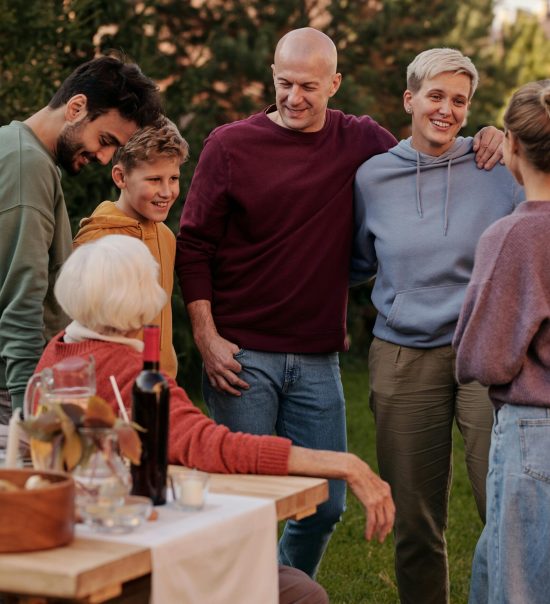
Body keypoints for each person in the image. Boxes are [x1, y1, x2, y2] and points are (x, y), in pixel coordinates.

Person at [175, 28, 503, 578]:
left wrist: (494, 133)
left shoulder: (360, 142)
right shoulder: (229, 145)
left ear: (334, 83)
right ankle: (244, 590)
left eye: (308, 85)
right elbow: (195, 247)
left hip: (317, 356)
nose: (295, 97)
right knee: (249, 503)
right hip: (241, 355)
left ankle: (283, 586)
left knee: (325, 506)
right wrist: (207, 338)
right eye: (284, 84)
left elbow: (425, 146)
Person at [36, 234, 396, 604]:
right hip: (124, 554)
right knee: (303, 594)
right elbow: (211, 446)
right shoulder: (127, 372)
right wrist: (345, 464)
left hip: (86, 536)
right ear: (139, 299)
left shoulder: (61, 349)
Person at [351, 48, 523, 604]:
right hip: (402, 358)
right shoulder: (372, 178)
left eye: (460, 100)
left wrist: (505, 137)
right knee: (416, 522)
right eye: (435, 96)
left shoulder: (497, 166)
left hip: (486, 355)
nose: (446, 110)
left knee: (501, 504)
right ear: (410, 99)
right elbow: (357, 260)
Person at [0, 55, 162, 438]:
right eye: (106, 141)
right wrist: (32, 422)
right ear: (76, 108)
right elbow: (22, 303)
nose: (105, 158)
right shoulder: (28, 166)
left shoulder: (12, 145)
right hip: (13, 392)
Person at [454, 79, 550, 604]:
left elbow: (485, 358)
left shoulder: (513, 234)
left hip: (534, 430)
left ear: (511, 144)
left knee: (518, 589)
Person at [73, 117, 188, 378]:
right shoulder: (97, 242)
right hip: (113, 386)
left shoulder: (167, 236)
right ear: (121, 177)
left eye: (174, 178)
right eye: (154, 179)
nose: (167, 191)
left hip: (162, 382)